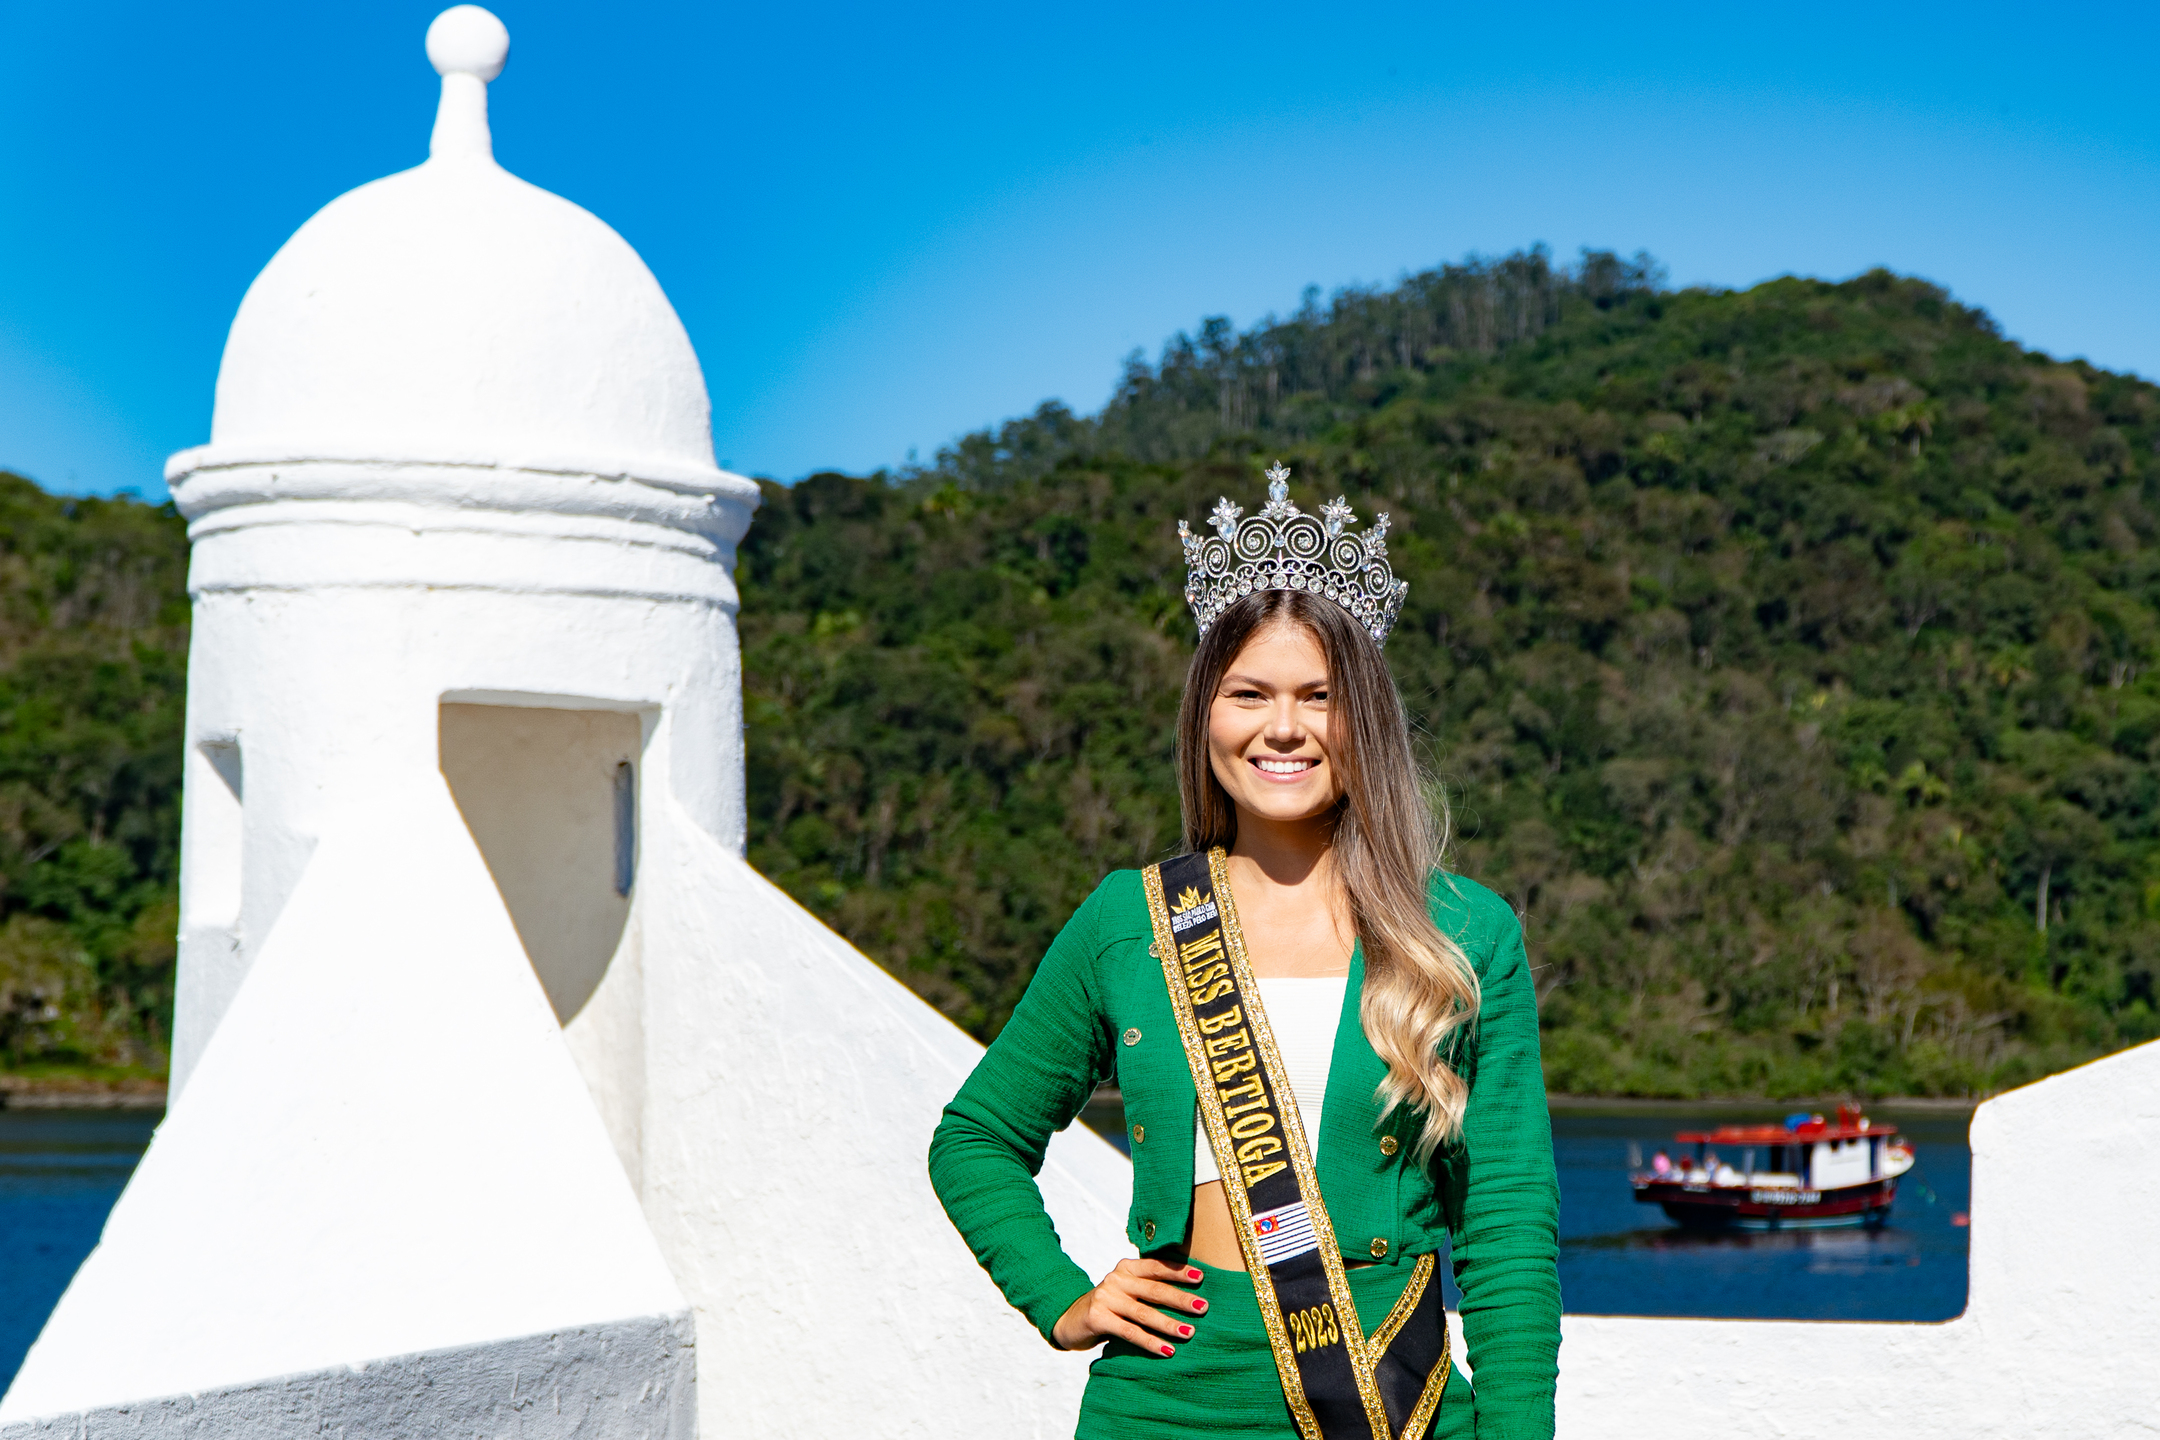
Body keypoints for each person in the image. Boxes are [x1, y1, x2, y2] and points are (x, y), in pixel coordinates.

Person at [929, 466, 1561, 1439]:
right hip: (1164, 1403)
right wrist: (1062, 1299)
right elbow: (976, 1140)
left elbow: (1509, 1224)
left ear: (1366, 718)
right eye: (1249, 693)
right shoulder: (1127, 922)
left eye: (1319, 696)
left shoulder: (1461, 933)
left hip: (1394, 1402)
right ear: (1205, 715)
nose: (1283, 728)